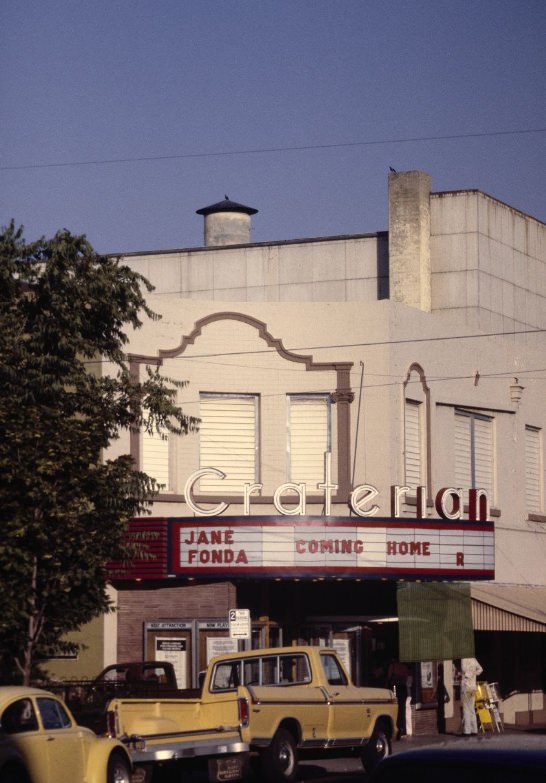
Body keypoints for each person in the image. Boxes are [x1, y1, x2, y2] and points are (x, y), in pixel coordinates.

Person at [387, 659, 411, 738]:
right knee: (402, 710)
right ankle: (403, 730)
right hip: (403, 689)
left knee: (395, 708)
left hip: (395, 687)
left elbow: (389, 677)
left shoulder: (393, 666)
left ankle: (396, 729)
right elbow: (406, 677)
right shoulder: (404, 667)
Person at [460, 657, 483, 735]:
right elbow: (480, 669)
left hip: (466, 687)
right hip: (473, 687)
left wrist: (467, 675)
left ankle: (467, 731)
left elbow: (463, 670)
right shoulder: (474, 659)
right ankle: (474, 730)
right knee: (472, 708)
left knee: (466, 708)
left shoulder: (464, 659)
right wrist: (474, 674)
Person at [435, 663, 450, 733]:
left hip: (439, 697)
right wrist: (447, 695)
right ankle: (442, 729)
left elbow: (442, 687)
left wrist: (447, 695)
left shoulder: (439, 677)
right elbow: (443, 687)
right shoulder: (440, 677)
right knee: (441, 713)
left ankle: (441, 729)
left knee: (440, 714)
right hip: (440, 697)